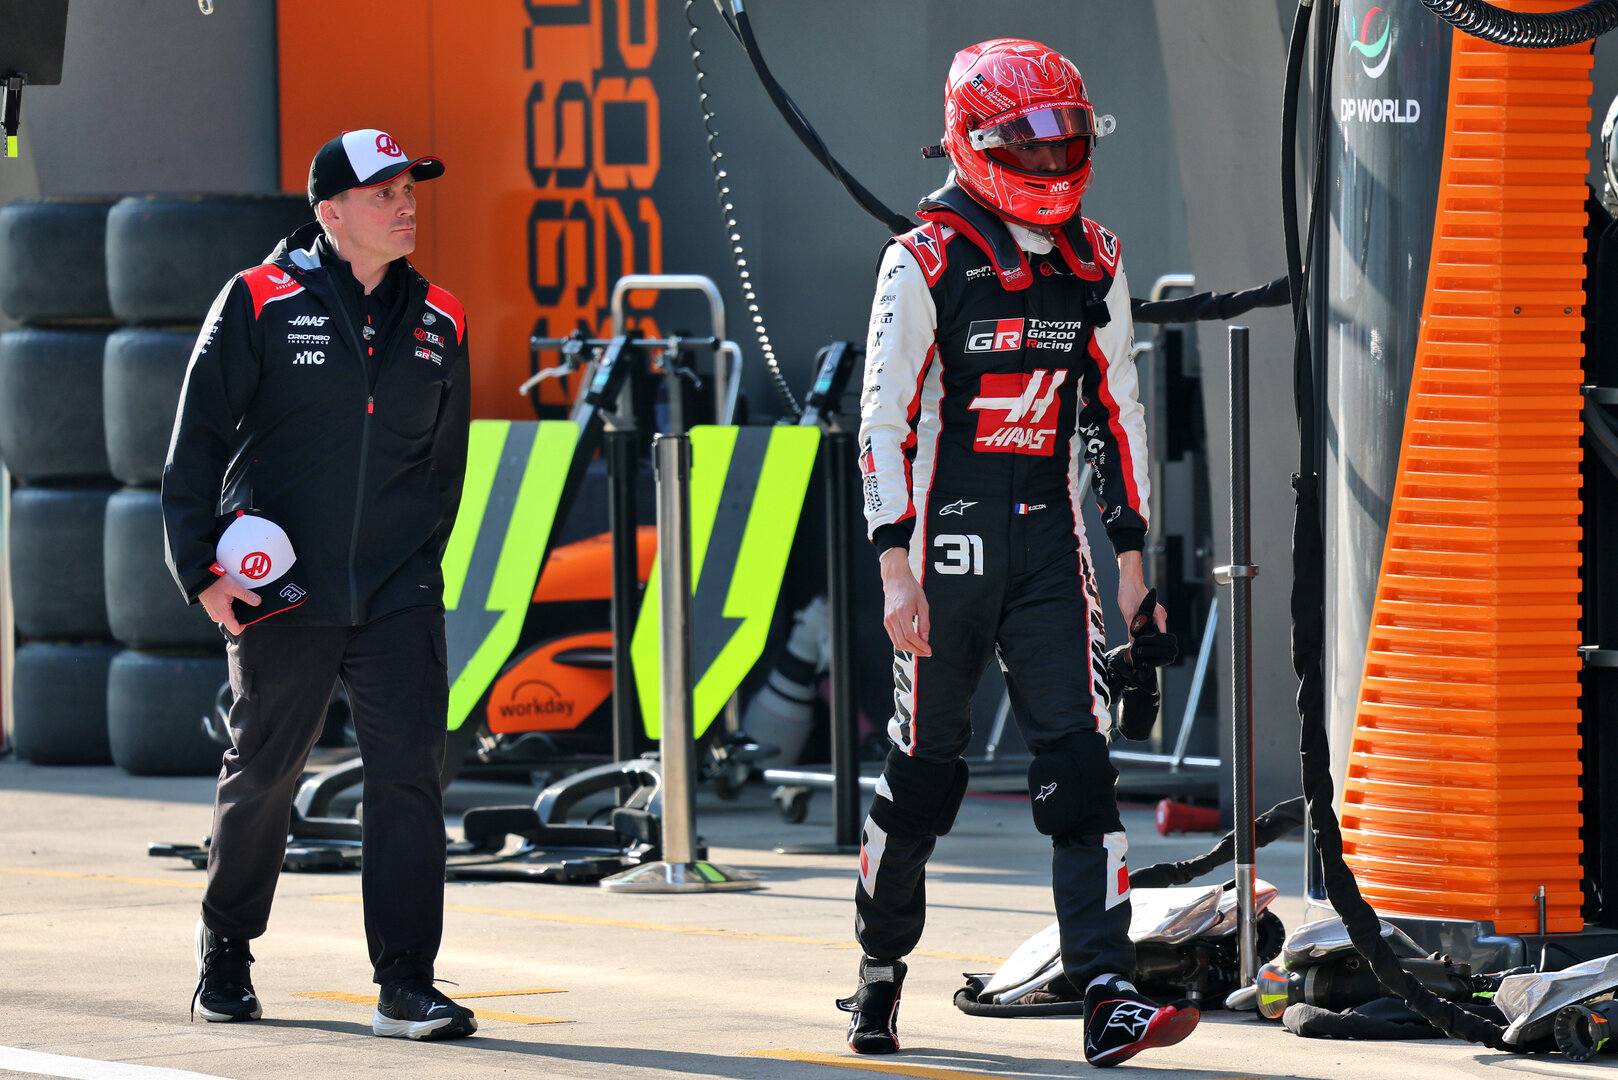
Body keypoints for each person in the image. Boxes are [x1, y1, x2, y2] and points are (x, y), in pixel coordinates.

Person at [840, 40, 1194, 1067]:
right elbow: (882, 425)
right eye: (1028, 143)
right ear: (973, 139)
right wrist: (892, 567)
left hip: (1047, 542)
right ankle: (877, 970)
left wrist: (1132, 570)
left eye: (1065, 140)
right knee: (924, 779)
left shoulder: (1098, 260)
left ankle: (1108, 996)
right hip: (942, 544)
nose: (1051, 162)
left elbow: (1117, 419)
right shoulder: (923, 259)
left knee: (1080, 772)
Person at [162, 128, 474, 1040]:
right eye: (383, 193)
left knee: (411, 780)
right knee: (264, 774)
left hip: (396, 592)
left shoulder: (441, 318)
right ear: (330, 213)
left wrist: (418, 564)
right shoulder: (257, 299)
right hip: (281, 591)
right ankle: (226, 945)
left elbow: (442, 471)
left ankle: (406, 983)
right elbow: (197, 444)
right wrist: (202, 572)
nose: (406, 203)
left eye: (410, 188)